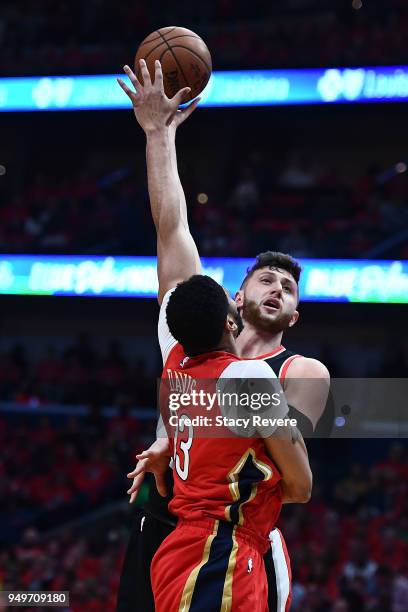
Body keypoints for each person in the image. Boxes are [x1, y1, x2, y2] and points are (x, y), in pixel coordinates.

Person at [116, 60, 330, 612]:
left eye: (289, 287)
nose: (279, 289)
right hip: (165, 520)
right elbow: (172, 225)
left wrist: (175, 435)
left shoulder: (300, 371)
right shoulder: (188, 341)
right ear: (235, 299)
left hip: (239, 536)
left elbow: (289, 471)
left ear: (296, 316)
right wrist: (157, 134)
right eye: (266, 279)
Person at [150, 272, 312, 612]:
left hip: (184, 550)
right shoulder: (248, 377)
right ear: (230, 322)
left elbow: (171, 237)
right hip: (221, 550)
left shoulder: (174, 366)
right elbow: (302, 486)